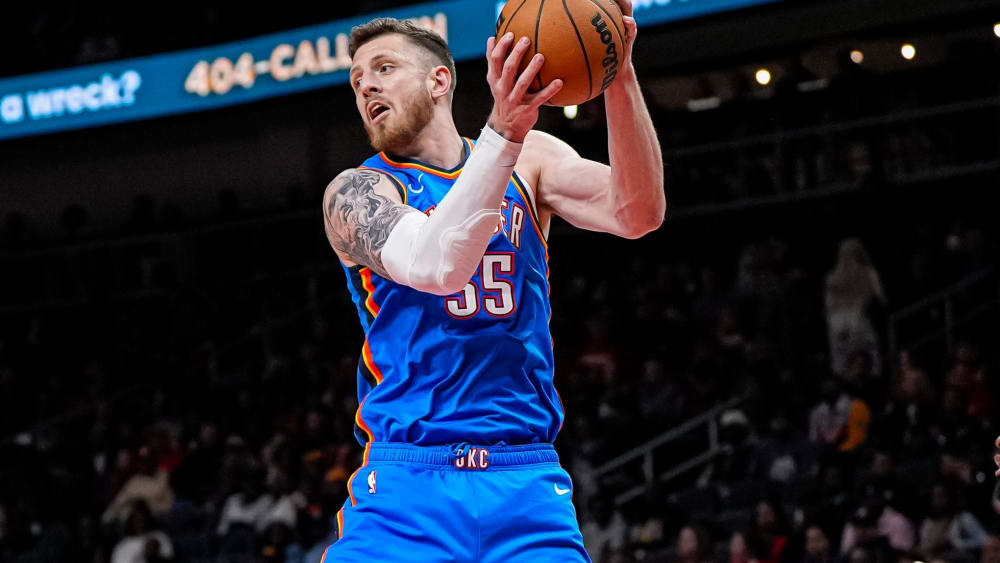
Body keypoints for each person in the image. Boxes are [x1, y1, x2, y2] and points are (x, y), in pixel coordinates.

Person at [320, 7, 665, 562]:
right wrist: (502, 132)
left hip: (524, 480)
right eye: (357, 79)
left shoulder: (531, 159)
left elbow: (638, 211)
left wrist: (618, 72)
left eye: (384, 68)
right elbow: (436, 264)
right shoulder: (357, 192)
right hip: (408, 486)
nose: (367, 86)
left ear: (439, 80)